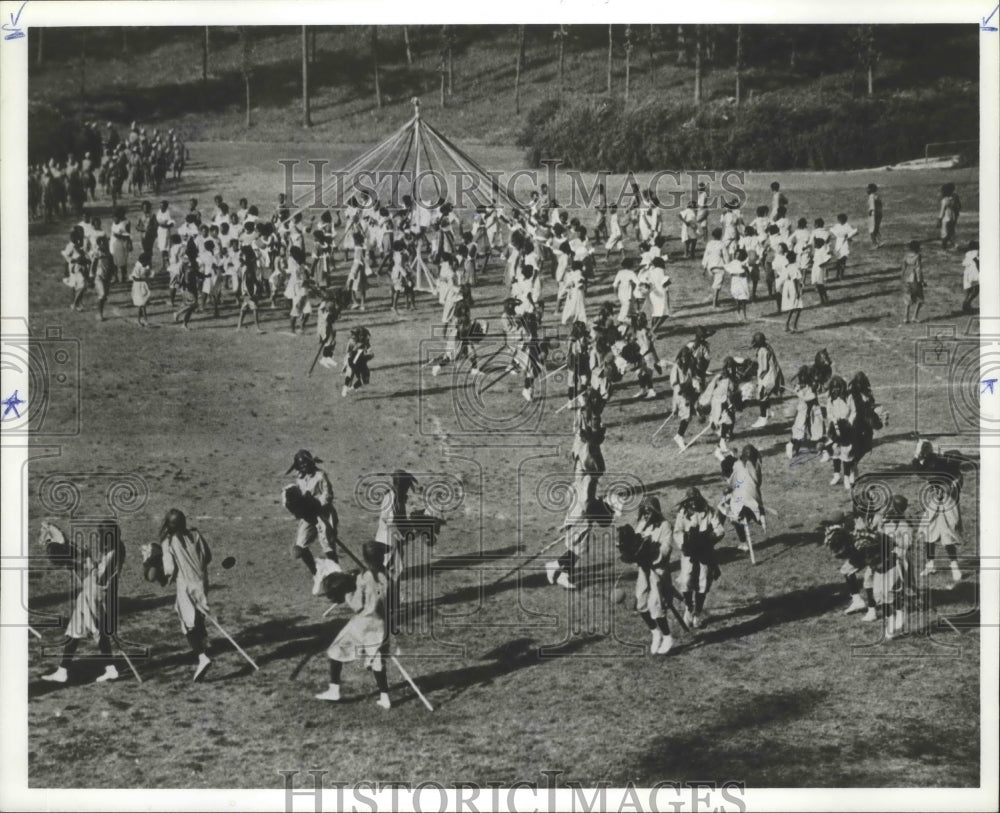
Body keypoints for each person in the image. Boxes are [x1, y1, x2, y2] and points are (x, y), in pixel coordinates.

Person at [39, 520, 125, 684]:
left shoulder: (113, 553)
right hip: (92, 592)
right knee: (75, 629)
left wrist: (84, 564)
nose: (100, 540)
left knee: (97, 631)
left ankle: (111, 669)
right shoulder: (118, 548)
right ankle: (62, 671)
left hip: (94, 594)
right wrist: (86, 561)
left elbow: (99, 577)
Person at [315, 541, 392, 709]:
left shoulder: (364, 578)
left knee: (336, 651)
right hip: (382, 624)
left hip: (362, 624)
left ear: (366, 559)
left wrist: (348, 593)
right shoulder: (387, 575)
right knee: (378, 660)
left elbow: (358, 605)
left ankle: (334, 690)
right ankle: (385, 697)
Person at [155, 509, 215, 681]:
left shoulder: (168, 542)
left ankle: (202, 657)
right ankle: (205, 642)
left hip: (186, 586)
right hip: (202, 581)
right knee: (198, 615)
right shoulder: (195, 534)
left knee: (187, 624)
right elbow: (208, 557)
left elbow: (169, 571)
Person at [618, 496, 676, 654]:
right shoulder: (641, 524)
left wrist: (653, 551)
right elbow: (635, 544)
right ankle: (655, 632)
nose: (646, 514)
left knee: (655, 605)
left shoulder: (665, 526)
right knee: (641, 604)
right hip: (644, 569)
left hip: (658, 570)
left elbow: (666, 549)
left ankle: (667, 636)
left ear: (656, 512)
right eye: (644, 511)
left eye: (649, 511)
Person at [913, 441, 966, 584]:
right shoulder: (948, 472)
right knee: (928, 534)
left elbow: (928, 474)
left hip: (947, 509)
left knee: (947, 537)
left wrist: (920, 457)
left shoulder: (954, 478)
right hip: (935, 505)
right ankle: (930, 565)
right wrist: (924, 456)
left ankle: (954, 566)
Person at [672, 487, 724, 629]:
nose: (693, 504)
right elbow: (677, 531)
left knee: (703, 583)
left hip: (705, 552)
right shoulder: (682, 514)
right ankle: (689, 607)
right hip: (689, 553)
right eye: (690, 501)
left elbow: (719, 529)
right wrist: (684, 543)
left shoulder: (708, 511)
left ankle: (697, 613)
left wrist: (709, 538)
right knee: (686, 580)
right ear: (687, 501)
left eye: (695, 500)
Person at [284, 449, 340, 576]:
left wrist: (316, 504)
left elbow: (328, 495)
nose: (303, 466)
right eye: (300, 464)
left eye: (305, 463)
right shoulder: (300, 478)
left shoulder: (320, 476)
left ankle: (337, 575)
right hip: (309, 515)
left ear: (310, 462)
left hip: (324, 514)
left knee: (328, 547)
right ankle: (316, 574)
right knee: (300, 547)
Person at [717, 444, 765, 558]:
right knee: (734, 506)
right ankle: (742, 541)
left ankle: (718, 530)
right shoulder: (757, 465)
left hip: (743, 501)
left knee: (725, 506)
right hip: (756, 502)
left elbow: (733, 484)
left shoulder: (738, 465)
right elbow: (758, 483)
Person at [750, 332, 783, 428]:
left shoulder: (762, 351)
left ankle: (763, 417)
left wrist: (759, 379)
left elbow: (764, 368)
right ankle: (768, 412)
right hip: (773, 375)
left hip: (768, 377)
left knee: (761, 395)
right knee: (765, 395)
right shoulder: (767, 347)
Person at [342, 325, 374, 397]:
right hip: (352, 360)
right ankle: (345, 388)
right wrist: (345, 364)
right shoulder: (351, 342)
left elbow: (371, 353)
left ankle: (352, 389)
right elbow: (347, 353)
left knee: (365, 378)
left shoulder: (365, 342)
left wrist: (367, 356)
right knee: (350, 374)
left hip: (361, 361)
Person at [702, 227, 728, 309]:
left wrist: (704, 267)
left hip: (710, 266)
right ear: (721, 235)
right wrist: (728, 265)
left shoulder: (709, 243)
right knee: (717, 286)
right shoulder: (722, 244)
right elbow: (726, 256)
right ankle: (714, 304)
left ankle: (714, 301)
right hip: (719, 266)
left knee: (715, 285)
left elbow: (706, 255)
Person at [901, 241, 924, 324]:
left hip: (906, 277)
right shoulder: (918, 256)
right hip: (914, 278)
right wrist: (920, 280)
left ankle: (905, 317)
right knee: (919, 297)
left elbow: (903, 267)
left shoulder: (906, 255)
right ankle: (914, 316)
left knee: (907, 297)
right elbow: (918, 269)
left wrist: (903, 277)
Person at [829, 213, 858, 280]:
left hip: (844, 244)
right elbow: (832, 231)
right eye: (839, 220)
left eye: (842, 220)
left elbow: (854, 232)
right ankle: (837, 274)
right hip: (838, 244)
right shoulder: (837, 225)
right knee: (838, 260)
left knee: (843, 259)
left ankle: (841, 274)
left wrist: (849, 237)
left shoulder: (847, 226)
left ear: (845, 220)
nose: (840, 221)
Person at [780, 249, 803, 333]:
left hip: (788, 287)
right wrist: (797, 292)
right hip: (794, 288)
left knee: (792, 307)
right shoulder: (794, 267)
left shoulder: (787, 267)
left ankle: (787, 324)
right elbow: (795, 280)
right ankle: (794, 326)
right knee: (799, 307)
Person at [129, 251, 153, 327]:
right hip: (138, 287)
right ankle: (144, 320)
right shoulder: (137, 267)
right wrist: (144, 279)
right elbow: (134, 278)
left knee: (143, 305)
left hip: (143, 286)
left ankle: (140, 320)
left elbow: (149, 274)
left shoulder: (146, 266)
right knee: (142, 305)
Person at [938, 183, 961, 249]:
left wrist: (939, 220)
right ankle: (955, 245)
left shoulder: (944, 200)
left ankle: (944, 248)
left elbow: (942, 211)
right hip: (953, 218)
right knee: (951, 232)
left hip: (945, 219)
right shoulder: (954, 199)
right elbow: (959, 207)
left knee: (944, 234)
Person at [961, 240, 979, 314]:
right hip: (975, 272)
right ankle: (968, 302)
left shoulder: (967, 253)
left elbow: (964, 263)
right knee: (977, 288)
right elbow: (977, 262)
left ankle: (966, 302)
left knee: (968, 289)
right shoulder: (977, 252)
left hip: (967, 273)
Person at [866, 183, 883, 248]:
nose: (867, 190)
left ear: (870, 189)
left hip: (873, 215)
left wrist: (870, 212)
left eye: (868, 189)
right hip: (879, 214)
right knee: (876, 228)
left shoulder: (871, 196)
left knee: (871, 230)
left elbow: (872, 207)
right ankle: (880, 241)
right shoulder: (877, 196)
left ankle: (874, 244)